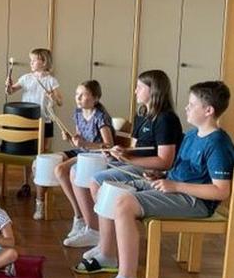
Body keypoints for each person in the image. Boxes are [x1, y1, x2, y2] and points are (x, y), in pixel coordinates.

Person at [86, 81, 234, 278]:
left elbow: (221, 192)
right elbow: (179, 169)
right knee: (110, 189)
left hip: (196, 202)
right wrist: (162, 177)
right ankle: (107, 254)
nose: (186, 108)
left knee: (123, 203)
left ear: (209, 110)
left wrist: (175, 186)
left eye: (192, 104)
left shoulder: (219, 144)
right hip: (176, 189)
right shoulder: (192, 135)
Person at [71, 70, 184, 254]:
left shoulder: (166, 119)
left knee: (97, 181)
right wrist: (123, 152)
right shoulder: (142, 113)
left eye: (139, 87)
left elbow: (165, 161)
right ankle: (93, 229)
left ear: (153, 90)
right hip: (136, 163)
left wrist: (129, 158)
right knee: (78, 169)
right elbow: (136, 147)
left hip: (151, 170)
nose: (135, 91)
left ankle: (106, 242)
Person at [5, 48, 64, 215]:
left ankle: (41, 191)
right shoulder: (26, 78)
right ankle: (26, 183)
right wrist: (8, 85)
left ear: (44, 62)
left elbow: (60, 102)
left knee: (42, 156)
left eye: (34, 60)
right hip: (27, 121)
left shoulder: (52, 81)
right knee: (27, 153)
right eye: (30, 60)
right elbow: (10, 91)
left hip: (45, 121)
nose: (30, 62)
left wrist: (53, 97)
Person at [55, 81, 114, 245]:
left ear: (95, 98)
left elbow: (108, 146)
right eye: (76, 94)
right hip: (83, 152)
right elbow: (79, 138)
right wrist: (71, 139)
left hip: (95, 155)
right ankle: (78, 215)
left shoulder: (101, 117)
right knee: (55, 165)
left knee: (61, 169)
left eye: (83, 94)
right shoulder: (78, 113)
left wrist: (84, 144)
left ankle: (80, 218)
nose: (78, 98)